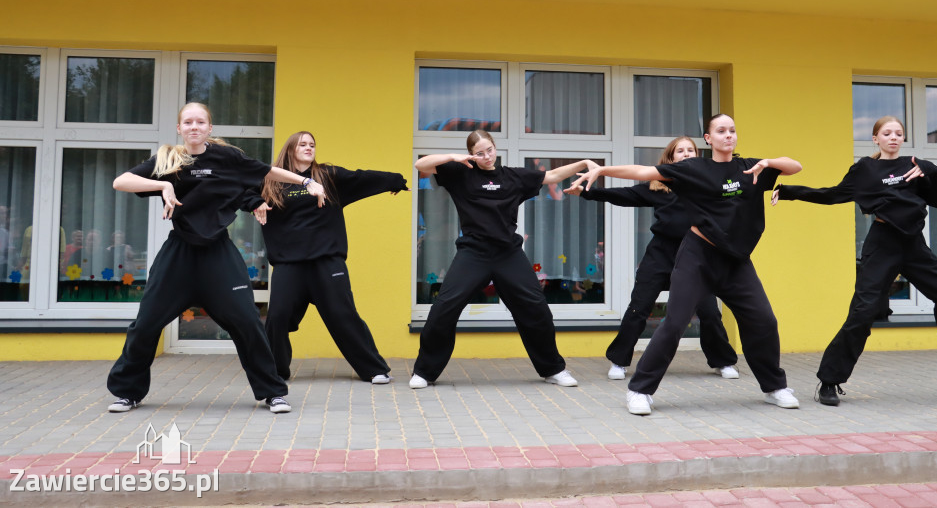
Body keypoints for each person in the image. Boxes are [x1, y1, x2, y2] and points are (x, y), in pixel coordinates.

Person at [572, 114, 802, 415]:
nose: (728, 135)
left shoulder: (750, 167)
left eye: (732, 130)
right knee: (675, 323)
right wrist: (603, 169)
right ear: (708, 139)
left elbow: (795, 167)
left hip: (736, 261)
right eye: (721, 131)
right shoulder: (694, 168)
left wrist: (769, 162)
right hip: (698, 257)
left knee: (764, 321)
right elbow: (643, 172)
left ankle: (774, 387)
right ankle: (639, 390)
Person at [105, 102, 326, 415]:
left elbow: (266, 171)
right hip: (179, 254)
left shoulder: (227, 157)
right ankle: (128, 393)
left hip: (218, 254)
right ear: (180, 128)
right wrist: (164, 183)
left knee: (248, 323)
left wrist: (306, 181)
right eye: (188, 122)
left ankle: (272, 392)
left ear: (209, 128)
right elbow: (121, 181)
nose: (194, 127)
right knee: (145, 325)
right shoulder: (169, 159)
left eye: (200, 122)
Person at [773, 115, 937, 406]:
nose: (894, 137)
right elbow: (833, 195)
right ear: (876, 139)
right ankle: (829, 381)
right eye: (887, 133)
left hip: (914, 246)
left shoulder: (914, 166)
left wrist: (931, 171)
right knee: (862, 313)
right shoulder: (865, 169)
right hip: (882, 244)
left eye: (898, 133)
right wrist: (790, 192)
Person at [410, 129, 598, 389]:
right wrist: (453, 157)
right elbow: (421, 164)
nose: (486, 156)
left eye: (489, 150)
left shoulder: (513, 177)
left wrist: (584, 163)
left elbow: (552, 176)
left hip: (508, 253)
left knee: (536, 309)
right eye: (479, 153)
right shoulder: (460, 174)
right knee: (444, 308)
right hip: (473, 253)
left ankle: (553, 369)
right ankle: (425, 372)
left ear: (495, 148)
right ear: (471, 155)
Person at [566, 136, 740, 381]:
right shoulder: (657, 186)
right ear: (671, 158)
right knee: (639, 307)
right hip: (661, 254)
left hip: (696, 255)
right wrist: (586, 193)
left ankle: (723, 362)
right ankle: (619, 361)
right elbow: (624, 194)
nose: (687, 153)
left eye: (691, 150)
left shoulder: (709, 186)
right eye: (680, 150)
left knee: (709, 312)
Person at [241, 130, 408, 384]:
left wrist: (394, 180)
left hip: (327, 262)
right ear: (290, 149)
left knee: (344, 316)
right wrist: (255, 201)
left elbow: (360, 177)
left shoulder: (327, 176)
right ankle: (275, 372)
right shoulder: (271, 181)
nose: (309, 148)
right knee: (278, 317)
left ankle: (374, 369)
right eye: (302, 144)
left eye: (312, 144)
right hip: (289, 264)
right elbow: (240, 190)